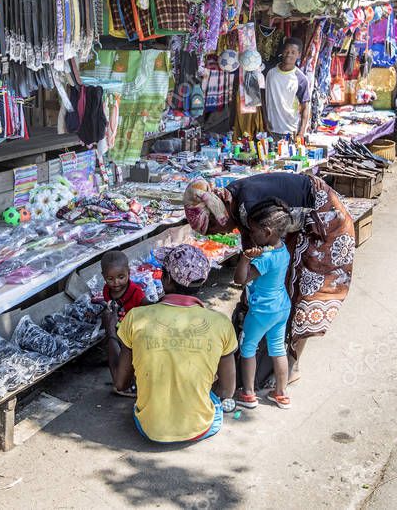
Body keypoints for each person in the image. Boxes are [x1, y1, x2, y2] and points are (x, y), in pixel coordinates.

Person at [182, 172, 355, 384]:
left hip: (326, 220)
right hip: (298, 218)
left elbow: (252, 270)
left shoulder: (248, 209)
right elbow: (253, 268)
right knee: (281, 287)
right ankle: (277, 359)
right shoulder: (234, 201)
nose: (222, 233)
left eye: (215, 229)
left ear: (219, 216)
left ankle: (292, 364)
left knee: (305, 293)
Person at [112, 244, 238, 441]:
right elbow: (227, 390)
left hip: (149, 428)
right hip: (200, 428)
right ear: (203, 280)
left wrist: (110, 333)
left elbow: (121, 383)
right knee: (211, 397)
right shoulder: (221, 323)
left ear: (167, 279)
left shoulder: (136, 317)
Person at [233, 203, 292, 409]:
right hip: (282, 307)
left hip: (262, 311)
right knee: (277, 348)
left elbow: (240, 279)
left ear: (267, 232)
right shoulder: (282, 249)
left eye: (254, 230)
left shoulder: (265, 259)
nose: (251, 234)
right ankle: (281, 393)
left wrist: (244, 260)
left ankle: (248, 393)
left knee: (248, 347)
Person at [99, 250, 146, 397]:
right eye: (110, 279)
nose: (116, 283)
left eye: (121, 277)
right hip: (118, 328)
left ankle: (131, 382)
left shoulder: (135, 292)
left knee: (132, 360)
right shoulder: (107, 290)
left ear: (129, 273)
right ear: (104, 277)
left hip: (133, 333)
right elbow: (109, 304)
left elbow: (146, 306)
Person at [264, 37, 311, 140]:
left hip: (290, 132)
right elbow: (263, 97)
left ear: (299, 55)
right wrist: (264, 120)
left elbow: (305, 107)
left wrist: (301, 133)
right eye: (287, 51)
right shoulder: (269, 73)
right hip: (269, 130)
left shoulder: (301, 79)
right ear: (282, 51)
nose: (289, 54)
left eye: (293, 52)